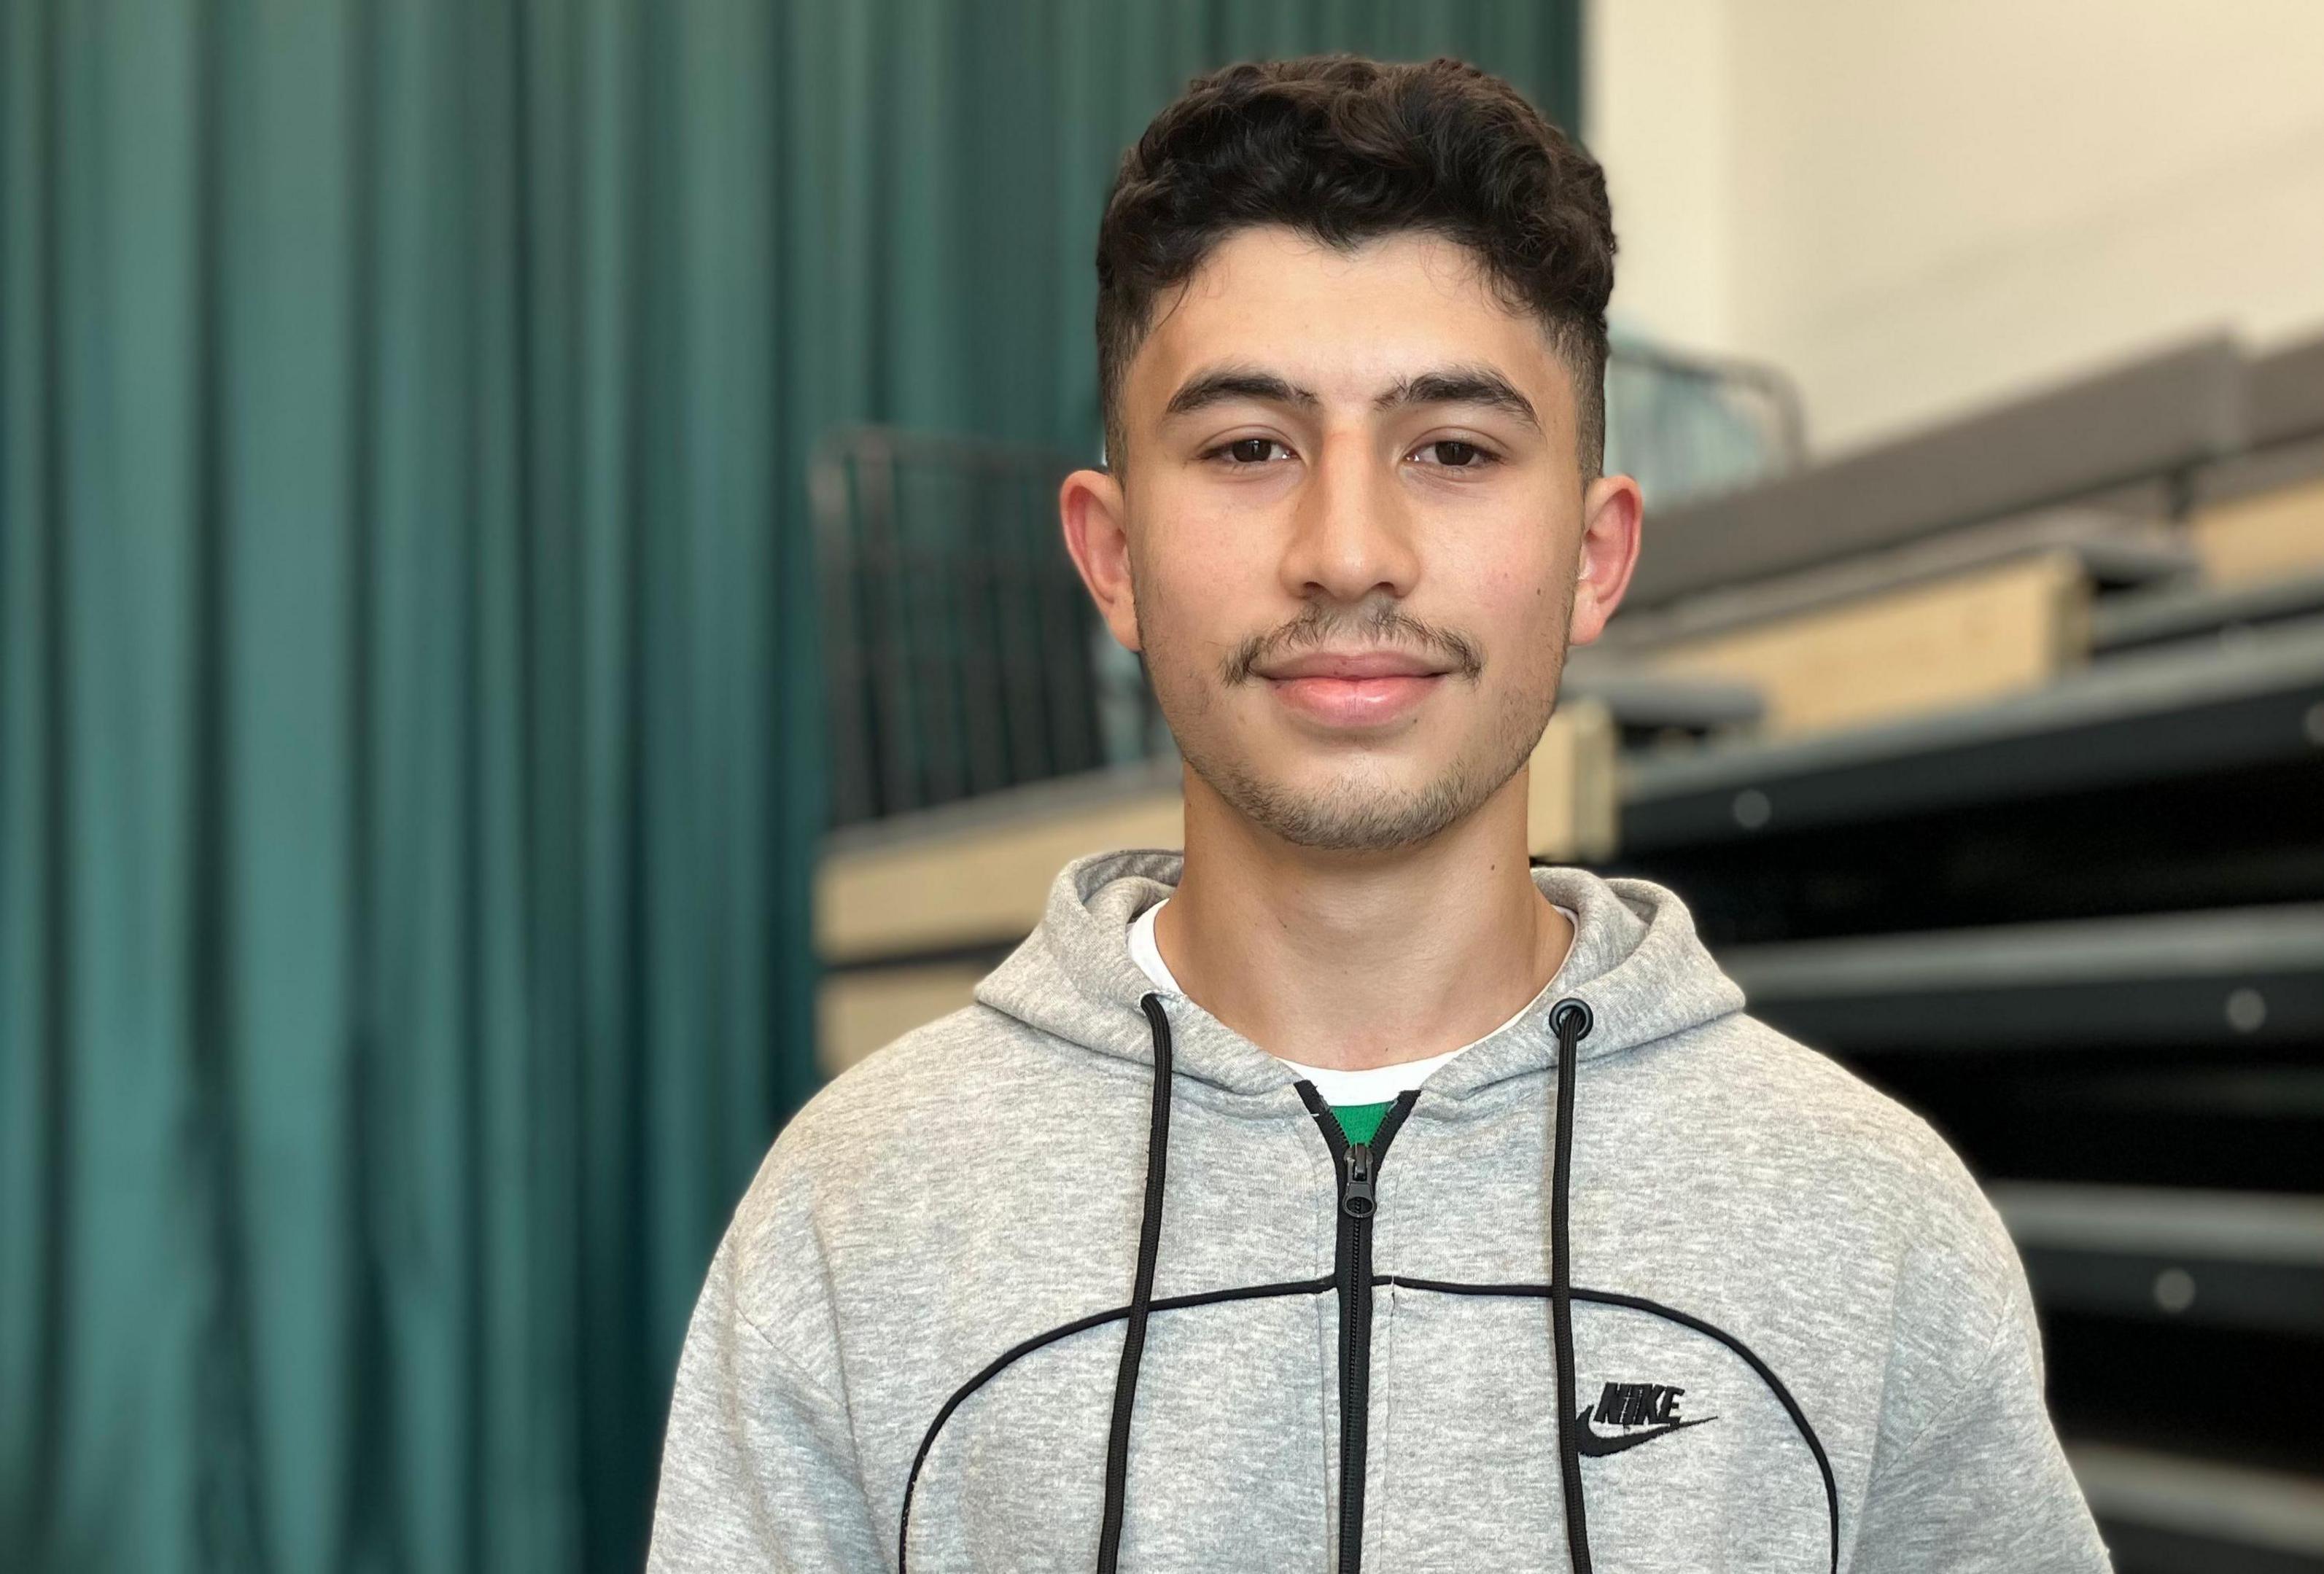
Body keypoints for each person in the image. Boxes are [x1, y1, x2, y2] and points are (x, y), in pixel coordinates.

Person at [648, 54, 2108, 1574]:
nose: (1349, 552)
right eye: (1248, 449)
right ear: (1113, 554)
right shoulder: (859, 1210)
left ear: (1597, 555)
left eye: (1456, 451)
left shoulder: (1868, 1223)